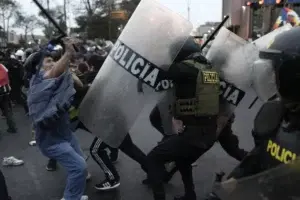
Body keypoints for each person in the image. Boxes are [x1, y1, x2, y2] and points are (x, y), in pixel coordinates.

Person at [206, 26, 300, 200]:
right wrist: (228, 186)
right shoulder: (274, 114)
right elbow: (257, 158)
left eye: (276, 73)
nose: (273, 80)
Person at [147, 37, 220, 200]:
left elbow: (158, 73)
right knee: (182, 159)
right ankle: (190, 195)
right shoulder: (209, 69)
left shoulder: (183, 69)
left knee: (152, 159)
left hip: (193, 136)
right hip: (207, 133)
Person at [27, 38, 88, 200]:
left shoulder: (56, 78)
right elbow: (51, 76)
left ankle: (75, 194)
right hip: (51, 142)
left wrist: (70, 70)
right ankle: (70, 198)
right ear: (36, 69)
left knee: (81, 165)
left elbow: (79, 85)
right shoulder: (37, 83)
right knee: (79, 167)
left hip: (65, 134)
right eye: (48, 62)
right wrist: (68, 53)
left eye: (53, 61)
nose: (53, 64)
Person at [0, 62, 17, 133]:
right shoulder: (1, 65)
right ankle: (12, 127)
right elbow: (7, 74)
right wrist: (8, 84)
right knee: (7, 109)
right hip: (5, 89)